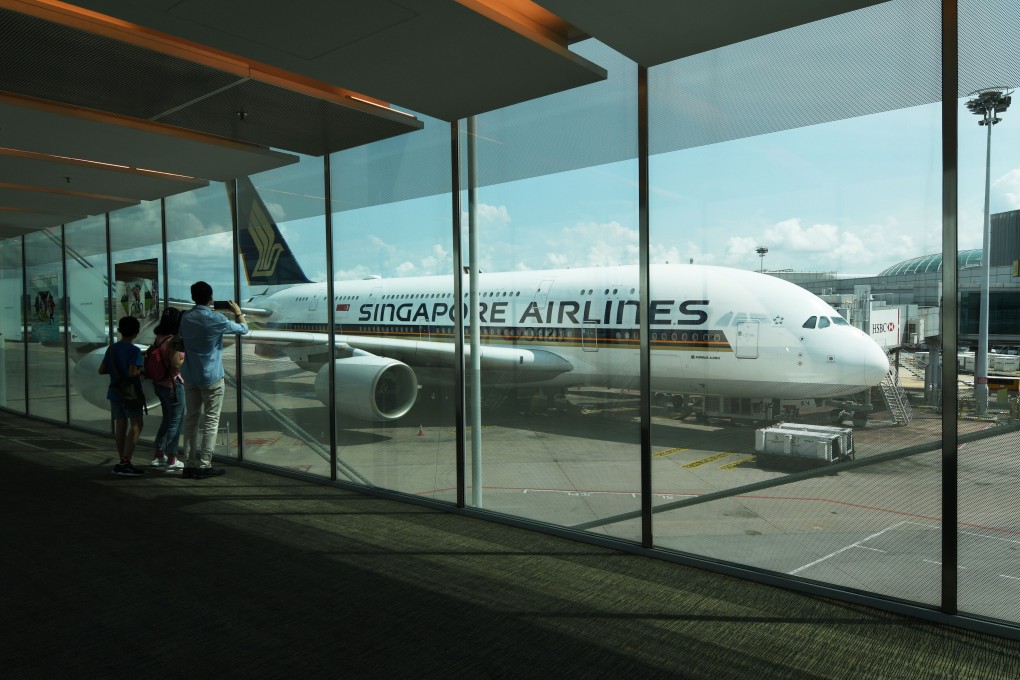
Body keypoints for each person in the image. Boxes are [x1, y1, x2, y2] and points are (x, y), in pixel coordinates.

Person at [178, 281, 248, 479]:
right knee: (211, 420)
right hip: (211, 376)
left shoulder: (185, 317)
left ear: (193, 297)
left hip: (190, 375)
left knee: (191, 419)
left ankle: (189, 464)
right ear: (211, 298)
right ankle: (204, 465)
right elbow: (243, 329)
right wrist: (238, 311)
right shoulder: (215, 318)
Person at [99, 316, 145, 476]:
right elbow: (133, 372)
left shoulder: (112, 348)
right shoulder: (134, 350)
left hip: (114, 391)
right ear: (136, 332)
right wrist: (144, 370)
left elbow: (102, 369)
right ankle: (126, 462)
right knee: (137, 424)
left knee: (120, 425)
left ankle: (122, 460)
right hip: (129, 393)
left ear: (120, 330)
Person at [149, 307, 186, 471]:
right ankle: (172, 458)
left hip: (160, 383)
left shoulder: (159, 338)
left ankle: (159, 455)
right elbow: (176, 363)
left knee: (166, 419)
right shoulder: (174, 340)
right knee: (176, 423)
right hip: (173, 385)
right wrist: (186, 357)